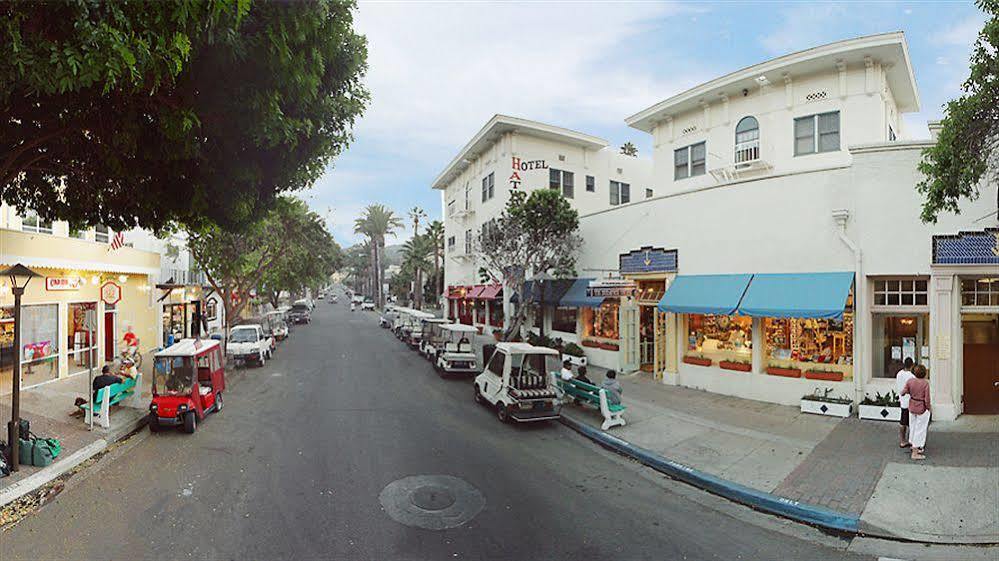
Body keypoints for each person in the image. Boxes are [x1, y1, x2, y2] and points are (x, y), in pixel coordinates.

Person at [901, 364, 931, 460]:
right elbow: (927, 399)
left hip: (912, 405)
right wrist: (929, 408)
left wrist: (906, 392)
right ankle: (915, 451)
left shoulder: (910, 381)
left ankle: (912, 443)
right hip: (921, 407)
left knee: (913, 426)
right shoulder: (925, 383)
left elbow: (903, 391)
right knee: (920, 429)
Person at [895, 357, 915, 448]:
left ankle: (902, 440)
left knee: (903, 422)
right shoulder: (912, 377)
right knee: (912, 423)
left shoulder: (899, 374)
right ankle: (912, 441)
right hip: (910, 402)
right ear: (912, 365)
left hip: (903, 401)